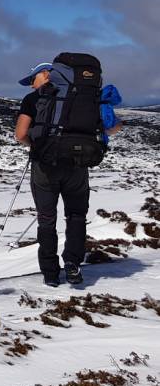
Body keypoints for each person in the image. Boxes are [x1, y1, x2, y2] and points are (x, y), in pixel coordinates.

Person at [14, 63, 122, 287]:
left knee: (46, 219)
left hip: (45, 166)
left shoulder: (34, 99)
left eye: (32, 79)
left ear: (46, 74)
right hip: (77, 165)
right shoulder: (85, 98)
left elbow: (21, 134)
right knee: (76, 216)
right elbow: (113, 127)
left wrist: (35, 146)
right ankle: (73, 264)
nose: (31, 84)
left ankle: (50, 273)